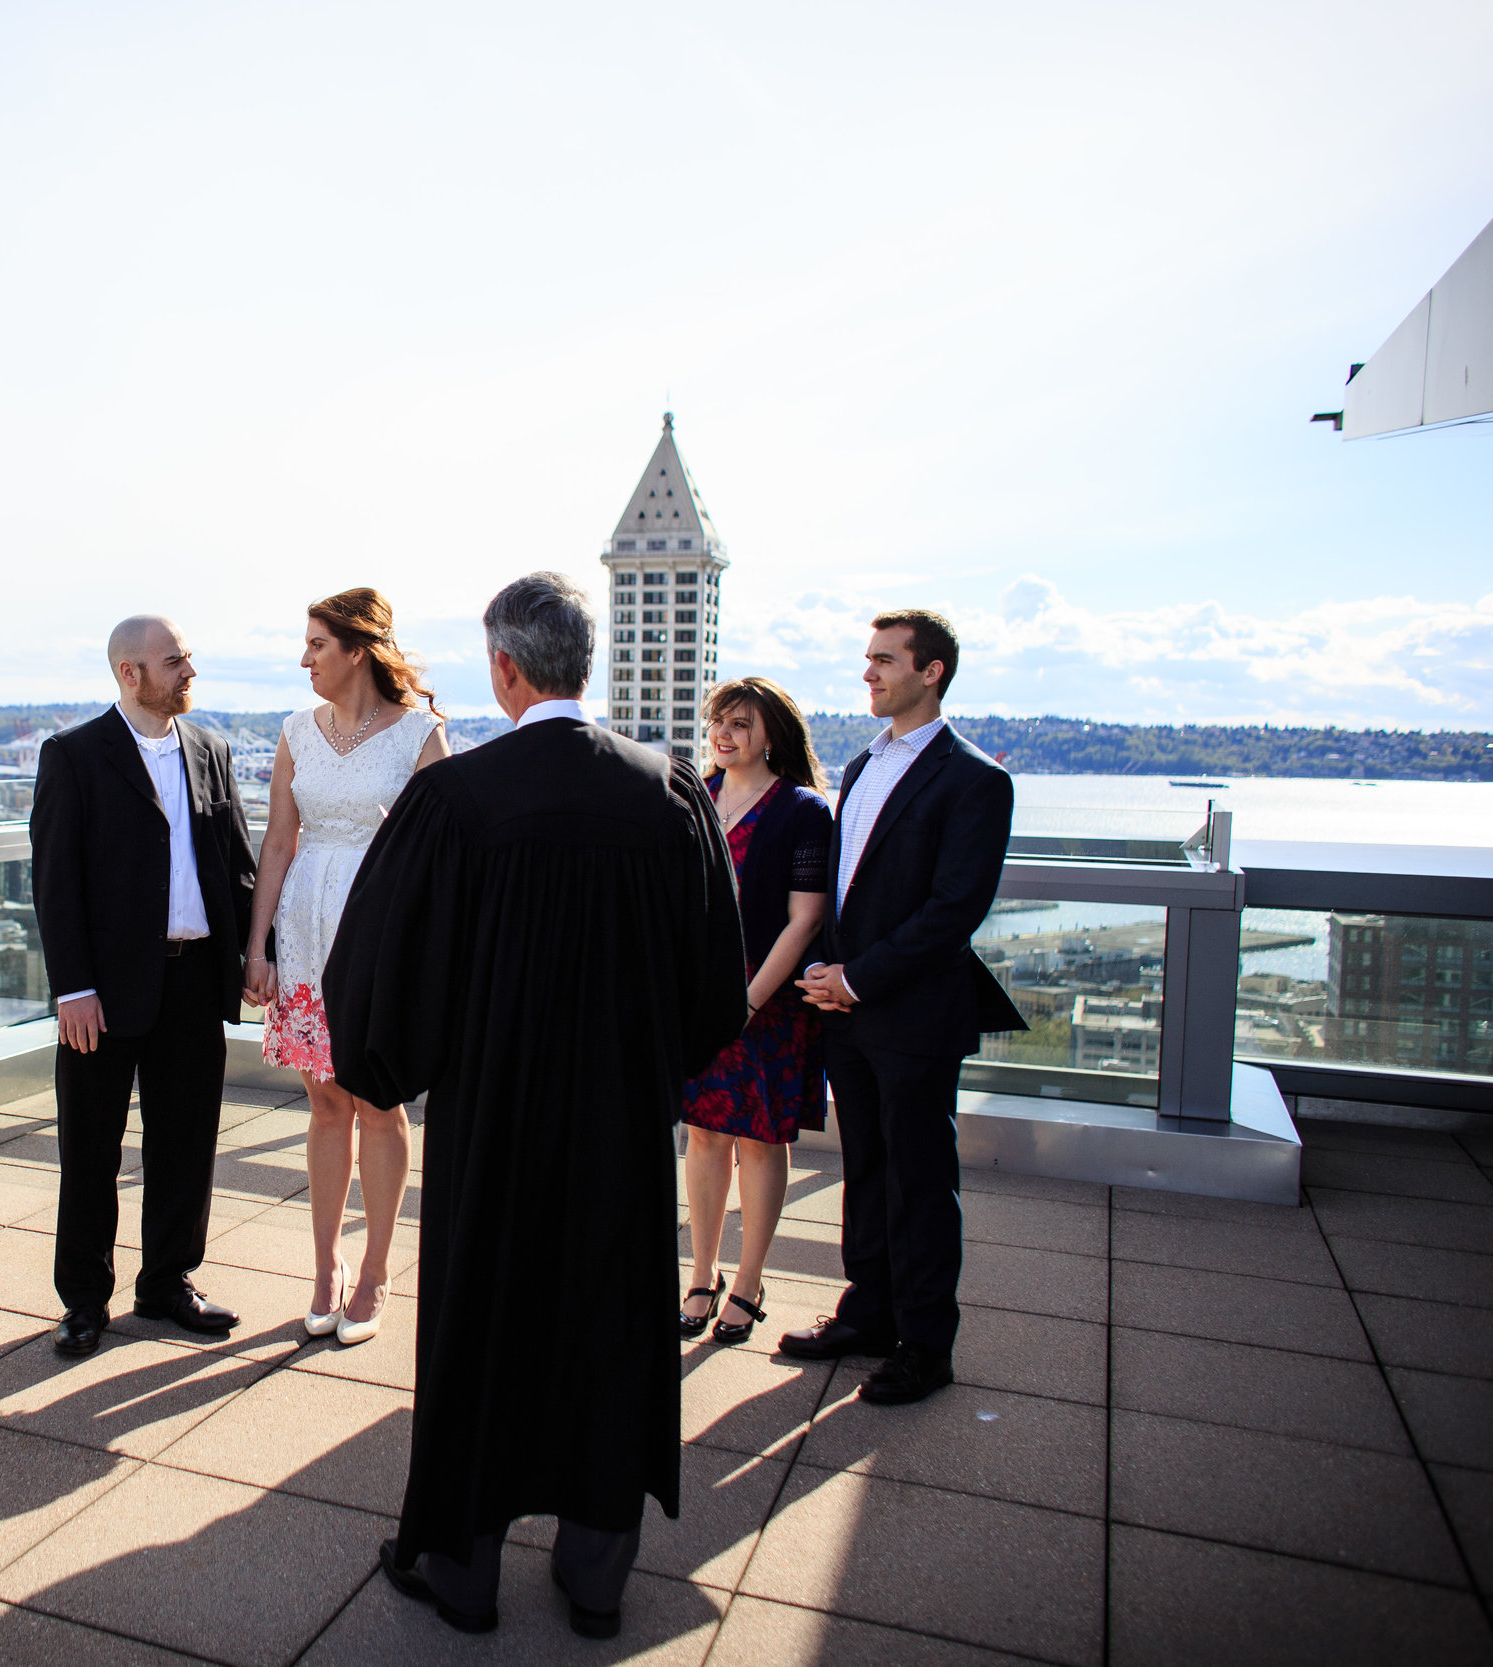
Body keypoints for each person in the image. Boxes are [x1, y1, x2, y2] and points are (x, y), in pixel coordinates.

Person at [326, 572, 745, 1639]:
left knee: (484, 1319)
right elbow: (712, 982)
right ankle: (596, 1572)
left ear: (505, 668)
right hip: (618, 1119)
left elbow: (378, 965)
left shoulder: (459, 797)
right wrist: (651, 1063)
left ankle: (462, 1567)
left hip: (493, 1115)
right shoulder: (668, 791)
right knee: (609, 1323)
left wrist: (389, 1067)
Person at [785, 609, 1024, 1407]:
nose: (869, 673)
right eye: (868, 658)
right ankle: (869, 1313)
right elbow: (851, 891)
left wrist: (858, 977)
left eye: (885, 660)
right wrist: (828, 970)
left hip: (914, 1012)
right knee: (869, 1170)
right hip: (847, 1010)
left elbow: (954, 909)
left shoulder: (977, 781)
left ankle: (927, 1346)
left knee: (921, 1181)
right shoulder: (858, 766)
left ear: (932, 672)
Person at [30, 614, 259, 1358]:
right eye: (174, 660)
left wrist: (258, 953)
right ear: (131, 673)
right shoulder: (73, 755)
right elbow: (56, 883)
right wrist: (73, 989)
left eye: (188, 656)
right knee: (91, 1149)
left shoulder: (211, 748)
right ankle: (84, 1301)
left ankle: (166, 1282)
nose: (189, 670)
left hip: (194, 979)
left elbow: (237, 864)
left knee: (186, 1143)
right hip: (105, 988)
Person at [241, 589, 449, 1347]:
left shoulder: (421, 734)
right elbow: (276, 845)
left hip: (381, 936)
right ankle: (325, 1269)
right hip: (304, 932)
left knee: (378, 1106)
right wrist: (257, 945)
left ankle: (376, 1270)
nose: (304, 659)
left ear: (357, 650)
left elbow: (439, 856)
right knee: (326, 1105)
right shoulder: (297, 730)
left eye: (317, 645)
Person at [679, 677, 834, 1347]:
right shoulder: (693, 796)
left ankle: (749, 1280)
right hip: (699, 997)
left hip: (766, 1005)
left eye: (742, 723)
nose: (726, 733)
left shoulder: (802, 810)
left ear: (772, 733)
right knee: (705, 1135)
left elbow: (805, 919)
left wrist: (748, 999)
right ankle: (703, 1273)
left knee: (762, 1141)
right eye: (720, 720)